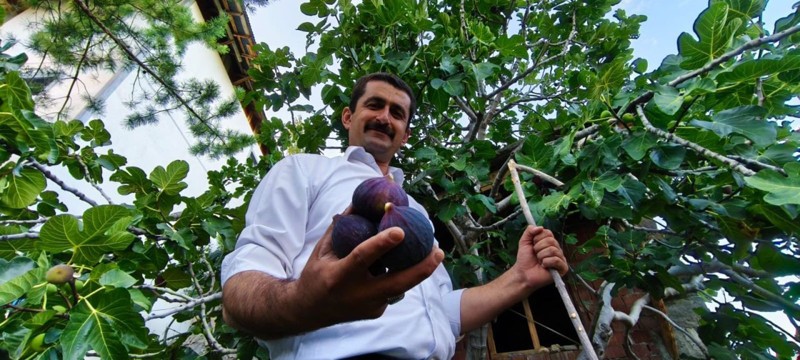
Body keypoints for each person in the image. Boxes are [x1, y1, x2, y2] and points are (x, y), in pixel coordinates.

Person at [221, 73, 568, 359]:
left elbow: (440, 314)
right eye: (374, 105)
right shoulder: (303, 170)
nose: (385, 117)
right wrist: (305, 303)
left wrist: (520, 278)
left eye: (397, 113)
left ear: (406, 134)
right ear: (348, 117)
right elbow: (241, 288)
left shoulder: (415, 211)